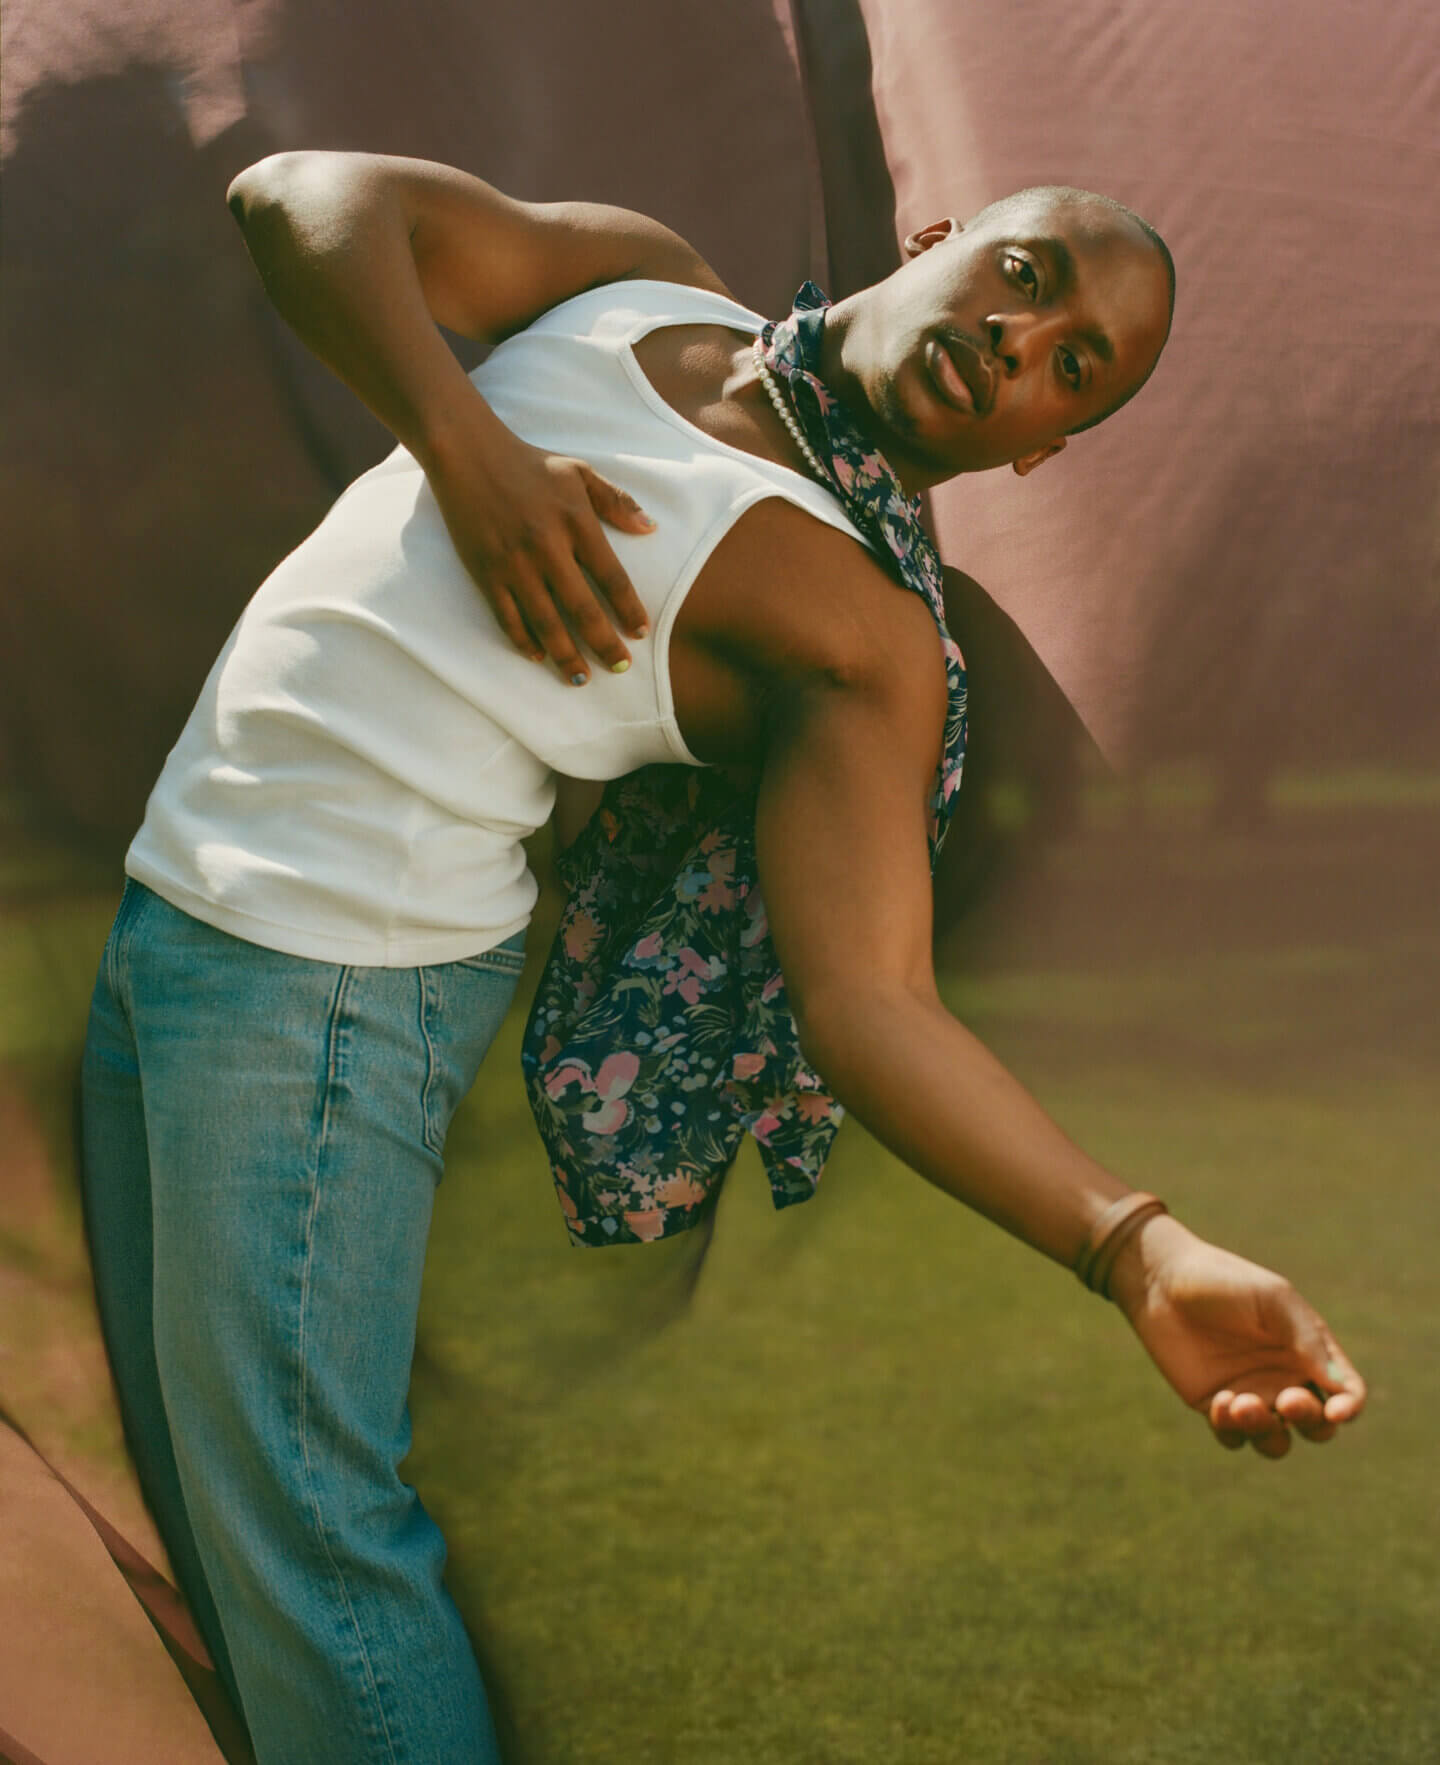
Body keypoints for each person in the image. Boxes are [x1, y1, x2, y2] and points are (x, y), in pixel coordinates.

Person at [80, 151, 1366, 1765]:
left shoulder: (853, 632)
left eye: (1073, 371)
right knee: (223, 1522)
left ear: (1038, 451)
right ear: (946, 237)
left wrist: (1138, 1251)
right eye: (1034, 280)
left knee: (309, 1545)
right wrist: (472, 454)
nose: (1024, 343)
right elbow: (301, 199)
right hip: (175, 924)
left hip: (323, 993)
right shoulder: (643, 280)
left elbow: (874, 1005)